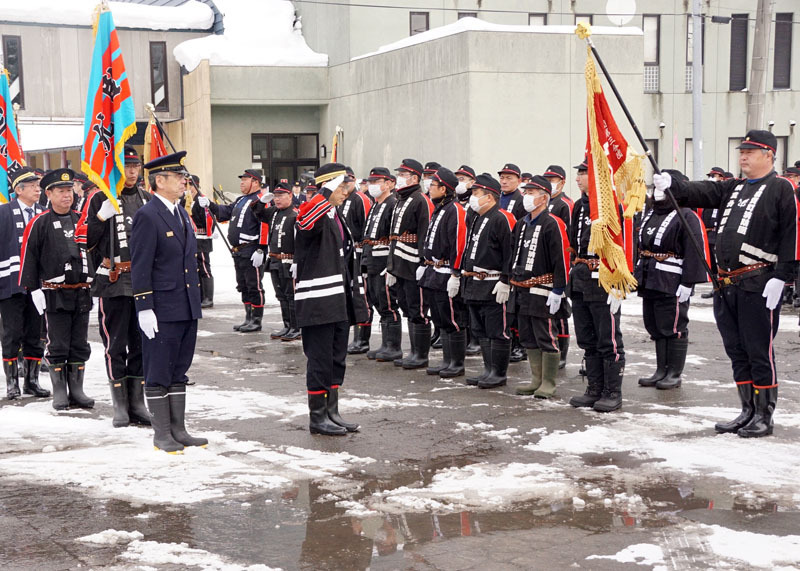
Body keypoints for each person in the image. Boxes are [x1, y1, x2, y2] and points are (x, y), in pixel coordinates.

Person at [653, 130, 799, 438]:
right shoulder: (734, 187)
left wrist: (782, 276)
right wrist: (674, 186)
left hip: (758, 282)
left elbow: (793, 235)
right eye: (741, 151)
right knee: (736, 350)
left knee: (758, 350)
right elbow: (703, 191)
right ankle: (746, 410)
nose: (743, 156)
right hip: (727, 283)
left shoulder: (781, 188)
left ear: (769, 155)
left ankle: (763, 414)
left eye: (751, 151)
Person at [130, 151, 207, 454]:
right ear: (159, 181)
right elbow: (141, 264)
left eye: (184, 177)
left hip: (185, 304)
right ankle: (162, 433)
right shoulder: (148, 216)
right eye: (178, 178)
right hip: (161, 307)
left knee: (179, 369)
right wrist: (144, 306)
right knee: (159, 369)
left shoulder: (180, 213)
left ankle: (179, 429)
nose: (184, 182)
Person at [294, 163, 369, 436]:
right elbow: (304, 223)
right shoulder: (313, 209)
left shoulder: (335, 214)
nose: (345, 192)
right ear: (327, 186)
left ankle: (332, 411)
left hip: (338, 299)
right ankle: (317, 417)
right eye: (341, 187)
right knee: (320, 358)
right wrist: (325, 194)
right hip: (318, 301)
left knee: (337, 357)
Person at [82, 145, 152, 428]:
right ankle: (120, 404)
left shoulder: (148, 199)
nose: (132, 172)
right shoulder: (100, 197)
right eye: (127, 167)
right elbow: (84, 240)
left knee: (142, 344)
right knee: (116, 344)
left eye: (136, 167)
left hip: (143, 282)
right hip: (113, 281)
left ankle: (138, 402)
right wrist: (100, 217)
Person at [19, 168, 94, 411]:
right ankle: (60, 390)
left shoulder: (81, 219)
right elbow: (28, 257)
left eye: (69, 190)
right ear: (48, 194)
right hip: (54, 293)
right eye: (60, 191)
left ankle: (77, 389)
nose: (66, 195)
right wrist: (33, 289)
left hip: (81, 290)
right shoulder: (39, 223)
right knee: (58, 343)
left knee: (79, 343)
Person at [635, 169, 709, 391]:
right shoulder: (651, 212)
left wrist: (689, 283)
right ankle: (661, 370)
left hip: (672, 279)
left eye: (662, 188)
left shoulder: (686, 216)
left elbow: (695, 250)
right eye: (655, 188)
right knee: (655, 324)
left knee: (673, 325)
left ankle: (674, 373)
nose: (657, 193)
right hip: (650, 277)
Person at [567, 157, 628, 412]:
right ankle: (594, 388)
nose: (579, 177)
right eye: (579, 172)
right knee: (587, 337)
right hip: (582, 276)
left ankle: (612, 391)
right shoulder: (579, 207)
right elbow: (574, 242)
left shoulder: (612, 205)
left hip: (605, 277)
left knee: (608, 339)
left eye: (584, 172)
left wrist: (619, 283)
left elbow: (624, 243)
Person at [509, 176, 570, 398]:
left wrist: (559, 290)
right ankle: (536, 378)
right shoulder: (522, 223)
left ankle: (549, 382)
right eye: (526, 192)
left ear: (544, 197)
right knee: (527, 335)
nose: (526, 197)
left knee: (545, 334)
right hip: (521, 288)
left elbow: (561, 258)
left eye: (532, 193)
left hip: (542, 288)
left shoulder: (552, 223)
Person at [456, 173, 516, 389]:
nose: (472, 197)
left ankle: (498, 373)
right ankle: (488, 369)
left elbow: (510, 252)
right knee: (480, 329)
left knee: (496, 330)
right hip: (475, 283)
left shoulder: (502, 218)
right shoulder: (478, 217)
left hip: (493, 282)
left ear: (489, 197)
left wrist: (506, 280)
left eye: (476, 193)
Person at [0, 167, 49, 400]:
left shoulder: (43, 213)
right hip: (10, 284)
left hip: (38, 286)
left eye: (38, 186)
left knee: (35, 333)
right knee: (11, 333)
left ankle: (32, 381)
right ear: (19, 190)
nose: (37, 189)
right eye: (32, 186)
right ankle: (12, 383)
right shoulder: (3, 213)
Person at [206, 169, 269, 332]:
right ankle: (248, 318)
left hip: (252, 248)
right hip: (238, 250)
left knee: (254, 285)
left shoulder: (261, 200)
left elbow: (265, 224)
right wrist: (210, 205)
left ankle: (256, 319)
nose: (241, 182)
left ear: (255, 182)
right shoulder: (241, 200)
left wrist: (262, 248)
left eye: (245, 180)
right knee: (243, 285)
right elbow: (225, 213)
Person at [420, 167, 469, 378]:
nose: (429, 188)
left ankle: (456, 363)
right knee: (440, 317)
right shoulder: (438, 208)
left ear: (444, 189)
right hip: (434, 270)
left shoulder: (455, 210)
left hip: (447, 269)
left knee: (452, 318)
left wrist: (455, 273)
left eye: (433, 185)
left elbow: (458, 244)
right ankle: (447, 360)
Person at [386, 159, 433, 369]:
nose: (400, 178)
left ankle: (421, 354)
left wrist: (424, 262)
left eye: (403, 174)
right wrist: (392, 266)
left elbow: (424, 233)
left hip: (414, 264)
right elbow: (394, 236)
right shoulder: (400, 199)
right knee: (406, 305)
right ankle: (413, 351)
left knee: (418, 308)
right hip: (400, 263)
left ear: (414, 178)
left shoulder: (420, 200)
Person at [361, 167, 402, 362]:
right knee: (376, 300)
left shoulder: (392, 204)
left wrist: (391, 263)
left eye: (378, 182)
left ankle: (393, 346)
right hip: (371, 258)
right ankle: (386, 344)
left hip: (383, 259)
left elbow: (393, 237)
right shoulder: (375, 205)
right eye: (371, 182)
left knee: (387, 303)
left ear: (389, 184)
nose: (373, 186)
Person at [251, 181, 301, 341]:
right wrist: (261, 202)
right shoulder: (273, 212)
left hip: (289, 260)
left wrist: (297, 261)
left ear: (290, 196)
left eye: (281, 196)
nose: (277, 199)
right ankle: (287, 325)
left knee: (291, 295)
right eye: (276, 196)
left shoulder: (295, 214)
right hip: (274, 260)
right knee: (281, 295)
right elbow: (257, 213)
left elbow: (301, 240)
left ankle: (296, 327)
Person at [543, 164, 574, 368]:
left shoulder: (565, 204)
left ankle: (562, 352)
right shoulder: (546, 202)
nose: (550, 184)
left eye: (553, 180)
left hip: (561, 263)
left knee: (561, 311)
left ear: (562, 182)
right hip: (544, 263)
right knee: (549, 311)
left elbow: (569, 237)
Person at [339, 168, 373, 354]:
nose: (345, 186)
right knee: (352, 295)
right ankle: (357, 336)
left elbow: (367, 226)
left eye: (348, 182)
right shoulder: (343, 199)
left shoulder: (360, 199)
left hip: (360, 251)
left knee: (363, 295)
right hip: (348, 253)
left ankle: (363, 338)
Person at [454, 165, 481, 356]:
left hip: (477, 260)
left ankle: (476, 339)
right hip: (463, 258)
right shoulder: (458, 203)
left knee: (473, 303)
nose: (459, 183)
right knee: (461, 302)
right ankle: (465, 337)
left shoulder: (475, 205)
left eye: (463, 179)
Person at [188, 175, 216, 309]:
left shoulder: (201, 200)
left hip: (202, 238)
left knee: (204, 267)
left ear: (196, 185)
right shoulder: (186, 200)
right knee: (195, 267)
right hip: (191, 239)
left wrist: (206, 231)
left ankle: (208, 297)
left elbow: (210, 218)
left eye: (190, 184)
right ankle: (199, 295)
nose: (187, 187)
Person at [698, 167, 726, 299]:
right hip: (709, 233)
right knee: (711, 263)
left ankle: (722, 286)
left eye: (715, 175)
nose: (712, 177)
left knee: (720, 261)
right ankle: (715, 286)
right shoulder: (710, 196)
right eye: (711, 175)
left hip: (719, 233)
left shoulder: (724, 193)